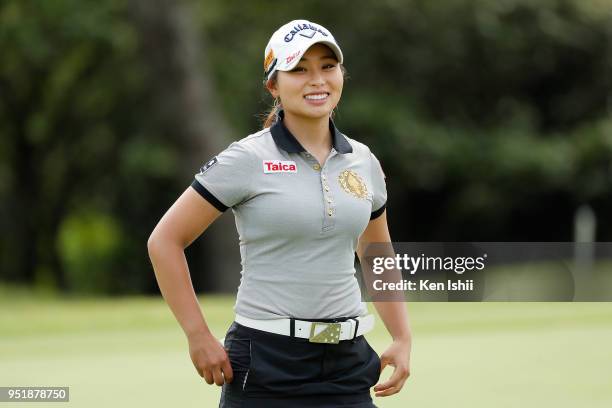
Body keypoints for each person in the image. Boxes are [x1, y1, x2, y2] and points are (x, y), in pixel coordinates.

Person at [147, 19, 412, 408]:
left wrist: (402, 336)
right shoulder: (247, 158)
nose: (316, 80)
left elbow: (376, 251)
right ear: (274, 85)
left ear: (341, 74)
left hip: (347, 364)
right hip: (266, 362)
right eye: (299, 69)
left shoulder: (362, 160)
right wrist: (197, 334)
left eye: (327, 66)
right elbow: (165, 241)